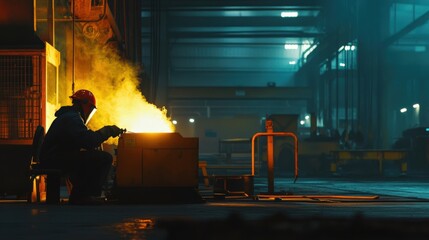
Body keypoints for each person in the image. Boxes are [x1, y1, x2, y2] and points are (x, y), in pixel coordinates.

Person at [39, 89, 123, 205]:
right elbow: (88, 141)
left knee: (87, 157)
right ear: (84, 104)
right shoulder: (72, 118)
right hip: (55, 159)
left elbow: (80, 140)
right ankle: (86, 195)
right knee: (104, 158)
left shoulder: (69, 116)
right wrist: (108, 131)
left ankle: (79, 194)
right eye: (91, 108)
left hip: (54, 157)